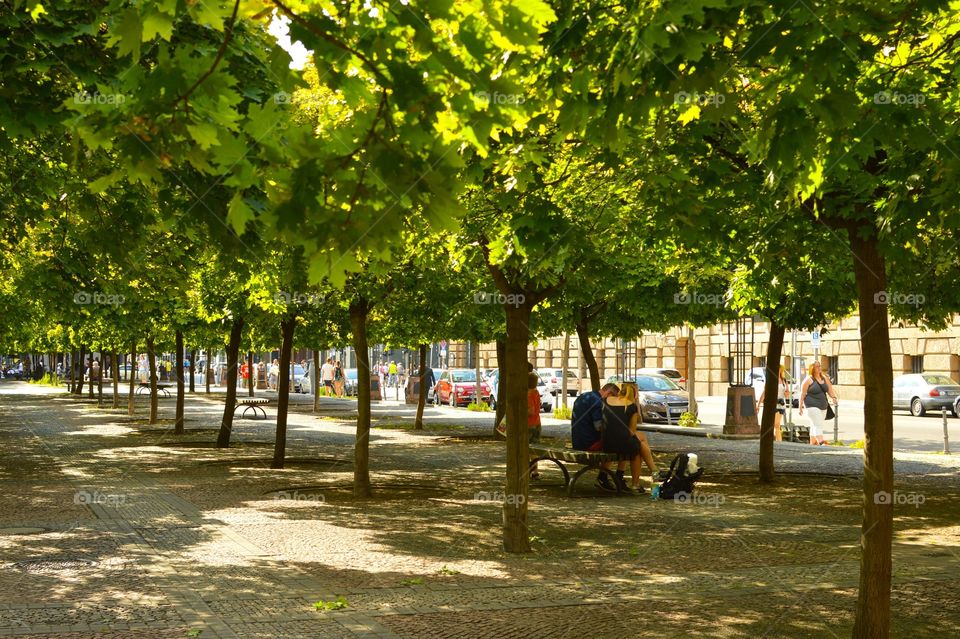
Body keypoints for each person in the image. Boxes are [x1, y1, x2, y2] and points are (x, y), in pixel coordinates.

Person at [602, 382, 661, 494]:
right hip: (621, 443)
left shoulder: (606, 401)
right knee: (637, 449)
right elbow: (631, 432)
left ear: (620, 391)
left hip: (607, 442)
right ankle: (638, 482)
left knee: (637, 442)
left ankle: (653, 470)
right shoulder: (631, 407)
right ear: (634, 395)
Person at [571, 383, 622, 491]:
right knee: (621, 443)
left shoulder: (585, 396)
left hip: (578, 440)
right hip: (589, 443)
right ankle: (607, 477)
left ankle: (605, 477)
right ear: (608, 393)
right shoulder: (598, 402)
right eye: (614, 398)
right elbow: (599, 427)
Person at [798, 361, 837, 445]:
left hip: (823, 406)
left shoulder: (824, 378)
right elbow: (802, 393)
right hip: (811, 406)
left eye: (820, 366)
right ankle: (821, 442)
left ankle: (812, 444)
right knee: (818, 424)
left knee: (814, 424)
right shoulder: (808, 380)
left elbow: (830, 389)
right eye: (817, 367)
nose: (819, 368)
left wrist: (833, 397)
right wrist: (800, 407)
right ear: (812, 368)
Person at [757, 365, 790, 442]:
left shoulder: (784, 380)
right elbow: (764, 392)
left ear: (781, 370)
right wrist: (758, 404)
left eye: (779, 369)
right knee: (775, 424)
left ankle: (778, 442)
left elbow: (787, 395)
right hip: (772, 403)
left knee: (777, 425)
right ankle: (777, 441)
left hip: (781, 404)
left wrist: (787, 393)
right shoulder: (770, 380)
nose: (777, 370)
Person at [527, 371, 543, 479]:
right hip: (537, 422)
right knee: (534, 449)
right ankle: (535, 472)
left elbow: (531, 411)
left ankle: (531, 470)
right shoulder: (536, 392)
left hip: (529, 425)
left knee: (528, 449)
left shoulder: (528, 395)